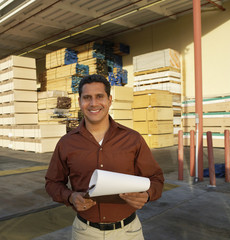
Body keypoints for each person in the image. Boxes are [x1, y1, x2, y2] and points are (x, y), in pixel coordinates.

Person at [45, 74, 164, 240]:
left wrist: (148, 194)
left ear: (109, 100)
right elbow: (52, 182)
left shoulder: (133, 139)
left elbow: (156, 178)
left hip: (128, 232)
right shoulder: (66, 143)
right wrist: (70, 196)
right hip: (85, 233)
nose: (94, 103)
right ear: (79, 102)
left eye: (99, 96)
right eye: (87, 98)